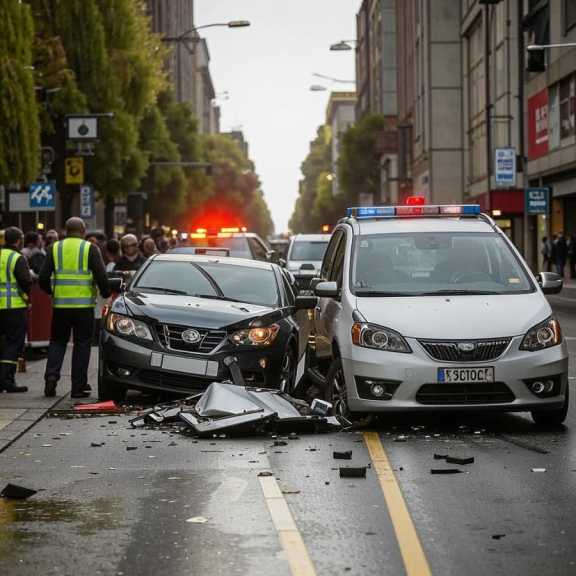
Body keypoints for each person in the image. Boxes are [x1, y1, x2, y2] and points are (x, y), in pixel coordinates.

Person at [39, 217, 111, 399]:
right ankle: (78, 387)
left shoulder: (54, 248)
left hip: (61, 306)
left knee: (57, 342)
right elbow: (101, 275)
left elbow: (43, 277)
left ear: (65, 229)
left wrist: (52, 292)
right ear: (83, 230)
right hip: (84, 307)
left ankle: (51, 376)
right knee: (82, 345)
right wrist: (106, 292)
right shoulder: (90, 248)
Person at [0, 227, 32, 393]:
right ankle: (7, 381)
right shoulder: (17, 258)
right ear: (19, 240)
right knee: (13, 343)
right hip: (13, 307)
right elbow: (26, 282)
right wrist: (28, 298)